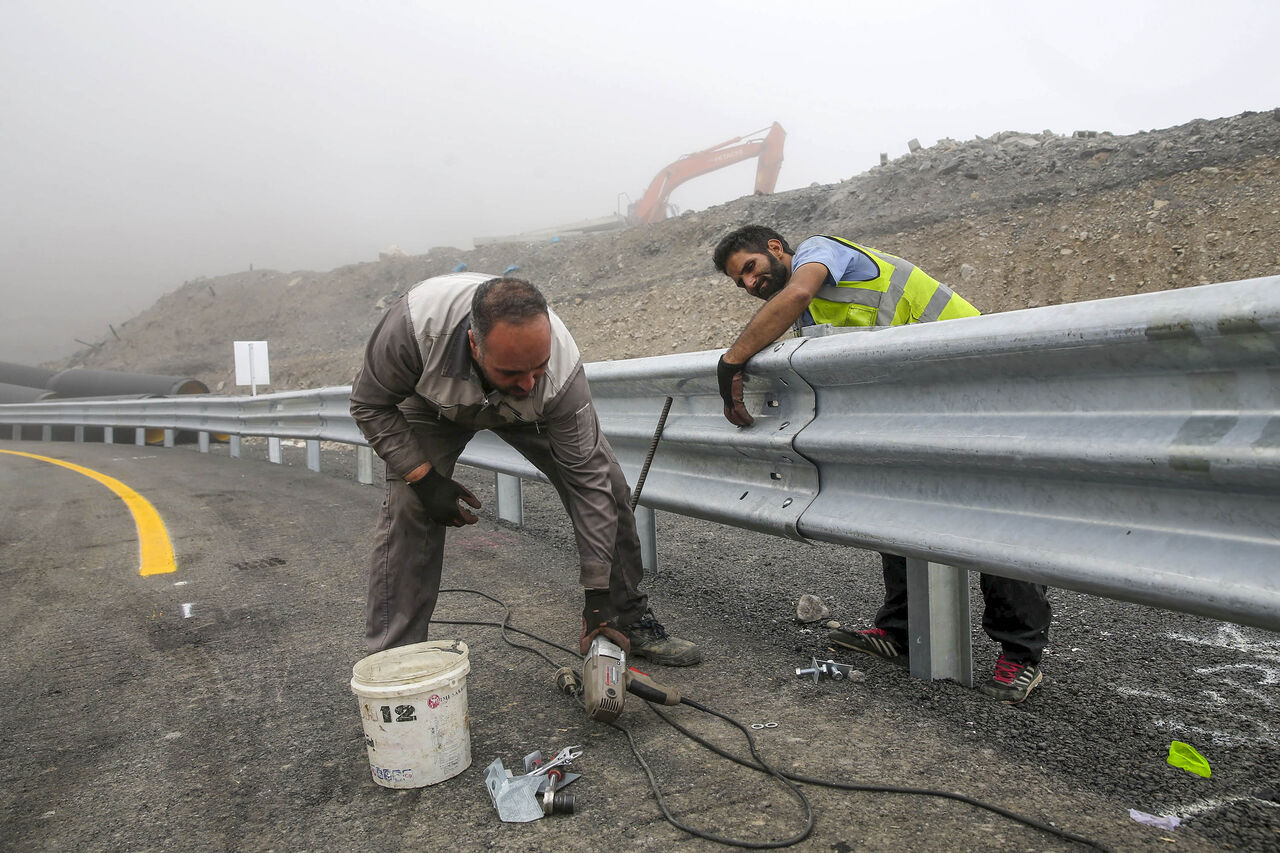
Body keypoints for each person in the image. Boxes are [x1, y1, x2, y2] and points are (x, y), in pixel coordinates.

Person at [711, 226, 1050, 702]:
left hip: (979, 387)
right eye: (738, 282)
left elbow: (799, 289)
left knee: (993, 519)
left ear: (775, 248)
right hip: (925, 403)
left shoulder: (819, 253)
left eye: (748, 268)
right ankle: (900, 633)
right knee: (897, 508)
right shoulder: (808, 312)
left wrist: (732, 361)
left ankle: (1020, 653)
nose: (748, 284)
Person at [349, 273, 701, 666]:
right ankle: (396, 659)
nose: (527, 381)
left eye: (537, 366)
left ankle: (622, 619)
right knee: (408, 507)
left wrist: (596, 595)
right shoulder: (414, 327)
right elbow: (369, 405)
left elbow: (589, 485)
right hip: (435, 407)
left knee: (611, 491)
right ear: (474, 346)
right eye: (511, 372)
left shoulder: (558, 375)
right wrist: (425, 479)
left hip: (533, 415)